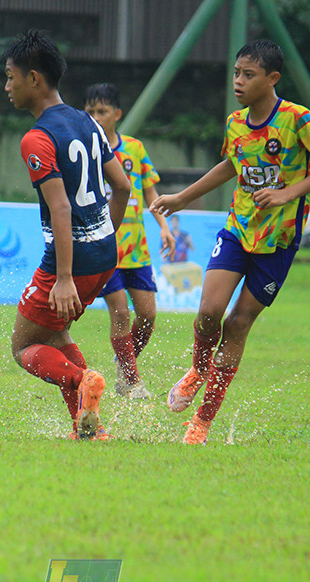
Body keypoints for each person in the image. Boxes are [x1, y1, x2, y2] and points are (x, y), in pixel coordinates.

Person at [149, 39, 310, 445]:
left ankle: (202, 422)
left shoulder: (297, 119)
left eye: (248, 74)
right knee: (209, 311)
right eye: (236, 73)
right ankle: (197, 371)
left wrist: (287, 193)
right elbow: (230, 165)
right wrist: (182, 198)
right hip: (238, 231)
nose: (238, 81)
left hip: (279, 241)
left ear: (272, 79)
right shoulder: (236, 122)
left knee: (237, 324)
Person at [3, 30, 131, 440]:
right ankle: (89, 428)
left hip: (69, 263)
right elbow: (123, 187)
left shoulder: (37, 138)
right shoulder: (88, 123)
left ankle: (81, 380)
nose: (7, 86)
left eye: (10, 77)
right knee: (56, 335)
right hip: (105, 254)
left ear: (34, 78)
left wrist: (62, 277)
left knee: (24, 346)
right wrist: (101, 241)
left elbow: (60, 208)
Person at [82, 82, 176, 400]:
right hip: (105, 247)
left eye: (102, 111)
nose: (96, 117)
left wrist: (164, 226)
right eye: (90, 111)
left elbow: (149, 191)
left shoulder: (134, 149)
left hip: (136, 248)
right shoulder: (84, 151)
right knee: (121, 314)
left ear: (117, 114)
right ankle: (131, 382)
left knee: (147, 316)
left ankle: (124, 362)